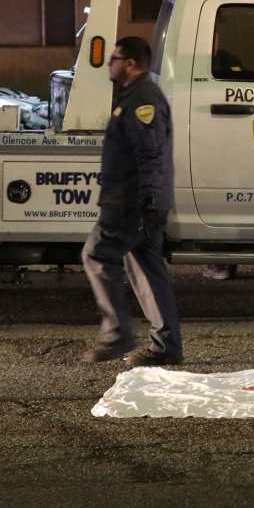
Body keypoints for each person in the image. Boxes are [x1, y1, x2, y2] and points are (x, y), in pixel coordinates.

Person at [80, 36, 183, 366]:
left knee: (96, 255)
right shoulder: (136, 95)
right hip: (141, 202)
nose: (109, 64)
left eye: (114, 58)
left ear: (130, 63)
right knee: (146, 269)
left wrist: (149, 201)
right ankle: (166, 346)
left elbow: (150, 154)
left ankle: (117, 334)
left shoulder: (142, 100)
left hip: (131, 202)